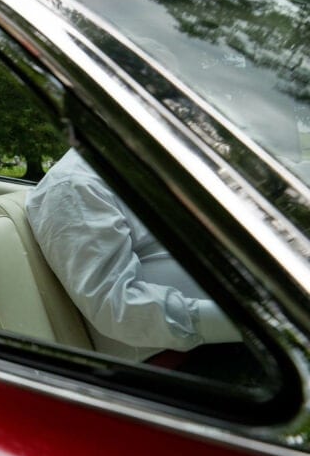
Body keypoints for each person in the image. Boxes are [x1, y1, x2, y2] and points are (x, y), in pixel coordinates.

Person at [25, 148, 242, 362]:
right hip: (179, 358)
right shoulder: (74, 185)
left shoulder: (144, 166)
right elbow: (118, 310)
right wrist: (245, 323)